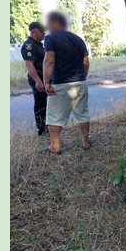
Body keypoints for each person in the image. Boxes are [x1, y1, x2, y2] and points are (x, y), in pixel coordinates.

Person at [42, 11, 91, 154]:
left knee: (55, 116)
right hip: (79, 81)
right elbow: (86, 62)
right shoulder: (78, 39)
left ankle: (55, 146)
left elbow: (49, 60)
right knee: (82, 113)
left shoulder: (50, 38)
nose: (47, 26)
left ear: (55, 22)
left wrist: (46, 82)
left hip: (60, 83)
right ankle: (85, 142)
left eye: (49, 22)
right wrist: (82, 77)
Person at [20, 22, 47, 136]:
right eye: (41, 31)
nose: (44, 34)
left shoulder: (39, 45)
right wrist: (38, 81)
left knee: (47, 102)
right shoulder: (29, 45)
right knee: (41, 103)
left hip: (44, 77)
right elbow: (29, 65)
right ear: (33, 32)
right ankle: (42, 129)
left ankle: (49, 126)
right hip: (38, 77)